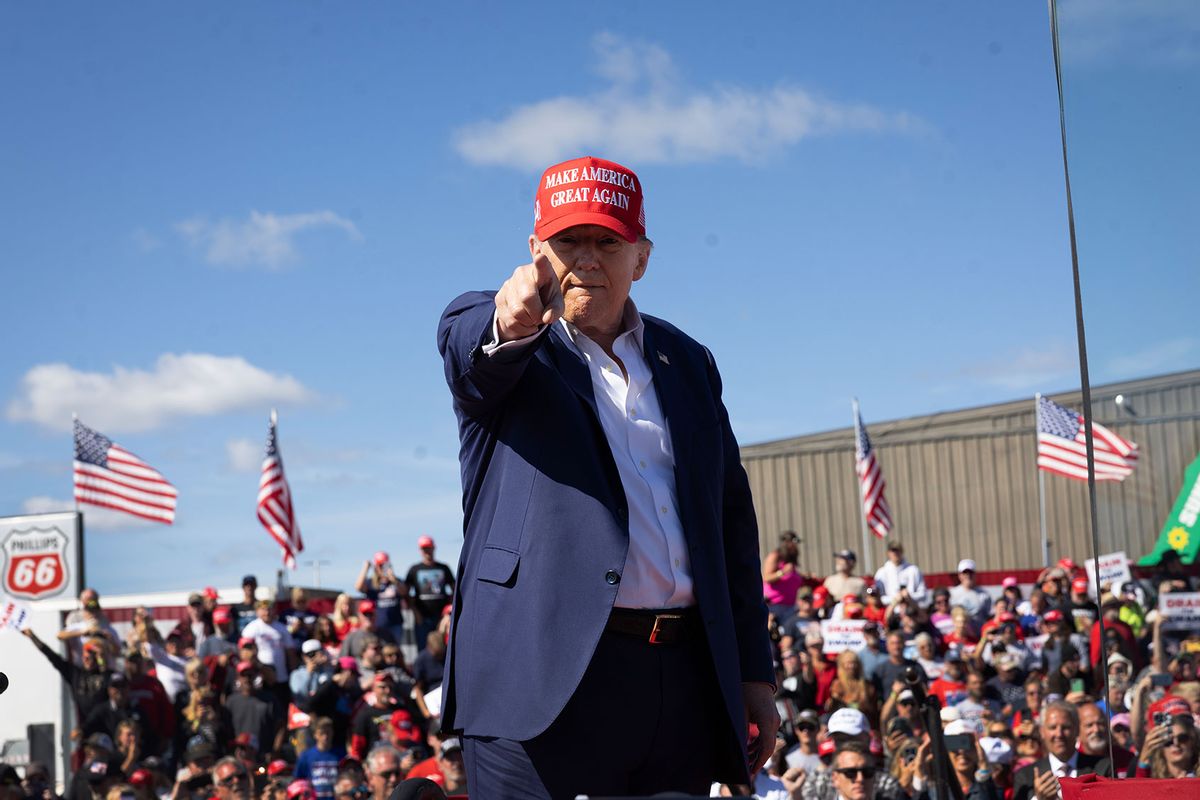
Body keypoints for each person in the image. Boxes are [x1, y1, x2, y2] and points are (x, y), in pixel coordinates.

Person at [436, 155, 777, 795]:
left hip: (681, 683)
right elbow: (469, 353)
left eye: (607, 242)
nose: (587, 259)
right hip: (539, 683)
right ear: (536, 250)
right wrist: (506, 323)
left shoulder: (689, 361)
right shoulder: (500, 336)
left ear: (641, 258)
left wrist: (753, 673)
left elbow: (730, 520)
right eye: (568, 242)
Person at [1011, 701, 1110, 800]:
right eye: (1053, 727)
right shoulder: (1025, 776)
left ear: (1076, 730)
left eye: (1065, 727)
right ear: (1042, 732)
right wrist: (1038, 798)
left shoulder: (1102, 768)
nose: (1059, 734)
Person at [403, 537, 456, 648]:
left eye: (429, 548)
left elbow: (455, 589)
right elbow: (405, 593)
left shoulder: (443, 568)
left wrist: (449, 612)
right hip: (422, 617)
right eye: (424, 549)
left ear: (433, 548)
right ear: (420, 551)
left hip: (441, 617)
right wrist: (415, 612)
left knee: (443, 647)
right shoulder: (415, 569)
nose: (427, 551)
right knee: (424, 647)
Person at [1135, 713, 1199, 779]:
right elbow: (1140, 786)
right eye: (1169, 740)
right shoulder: (1153, 778)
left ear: (1192, 741)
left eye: (1182, 738)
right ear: (1160, 745)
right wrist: (1144, 758)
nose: (1176, 743)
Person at [873, 542, 927, 606]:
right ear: (888, 553)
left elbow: (923, 594)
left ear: (902, 551)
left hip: (911, 611)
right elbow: (878, 598)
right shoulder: (881, 573)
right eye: (893, 550)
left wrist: (909, 596)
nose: (895, 553)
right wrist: (896, 599)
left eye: (897, 550)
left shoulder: (914, 570)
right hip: (891, 612)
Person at [950, 560, 992, 626]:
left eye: (970, 573)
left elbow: (988, 616)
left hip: (979, 634)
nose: (968, 575)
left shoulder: (984, 595)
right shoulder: (952, 594)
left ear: (975, 574)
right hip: (960, 635)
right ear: (959, 575)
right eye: (965, 573)